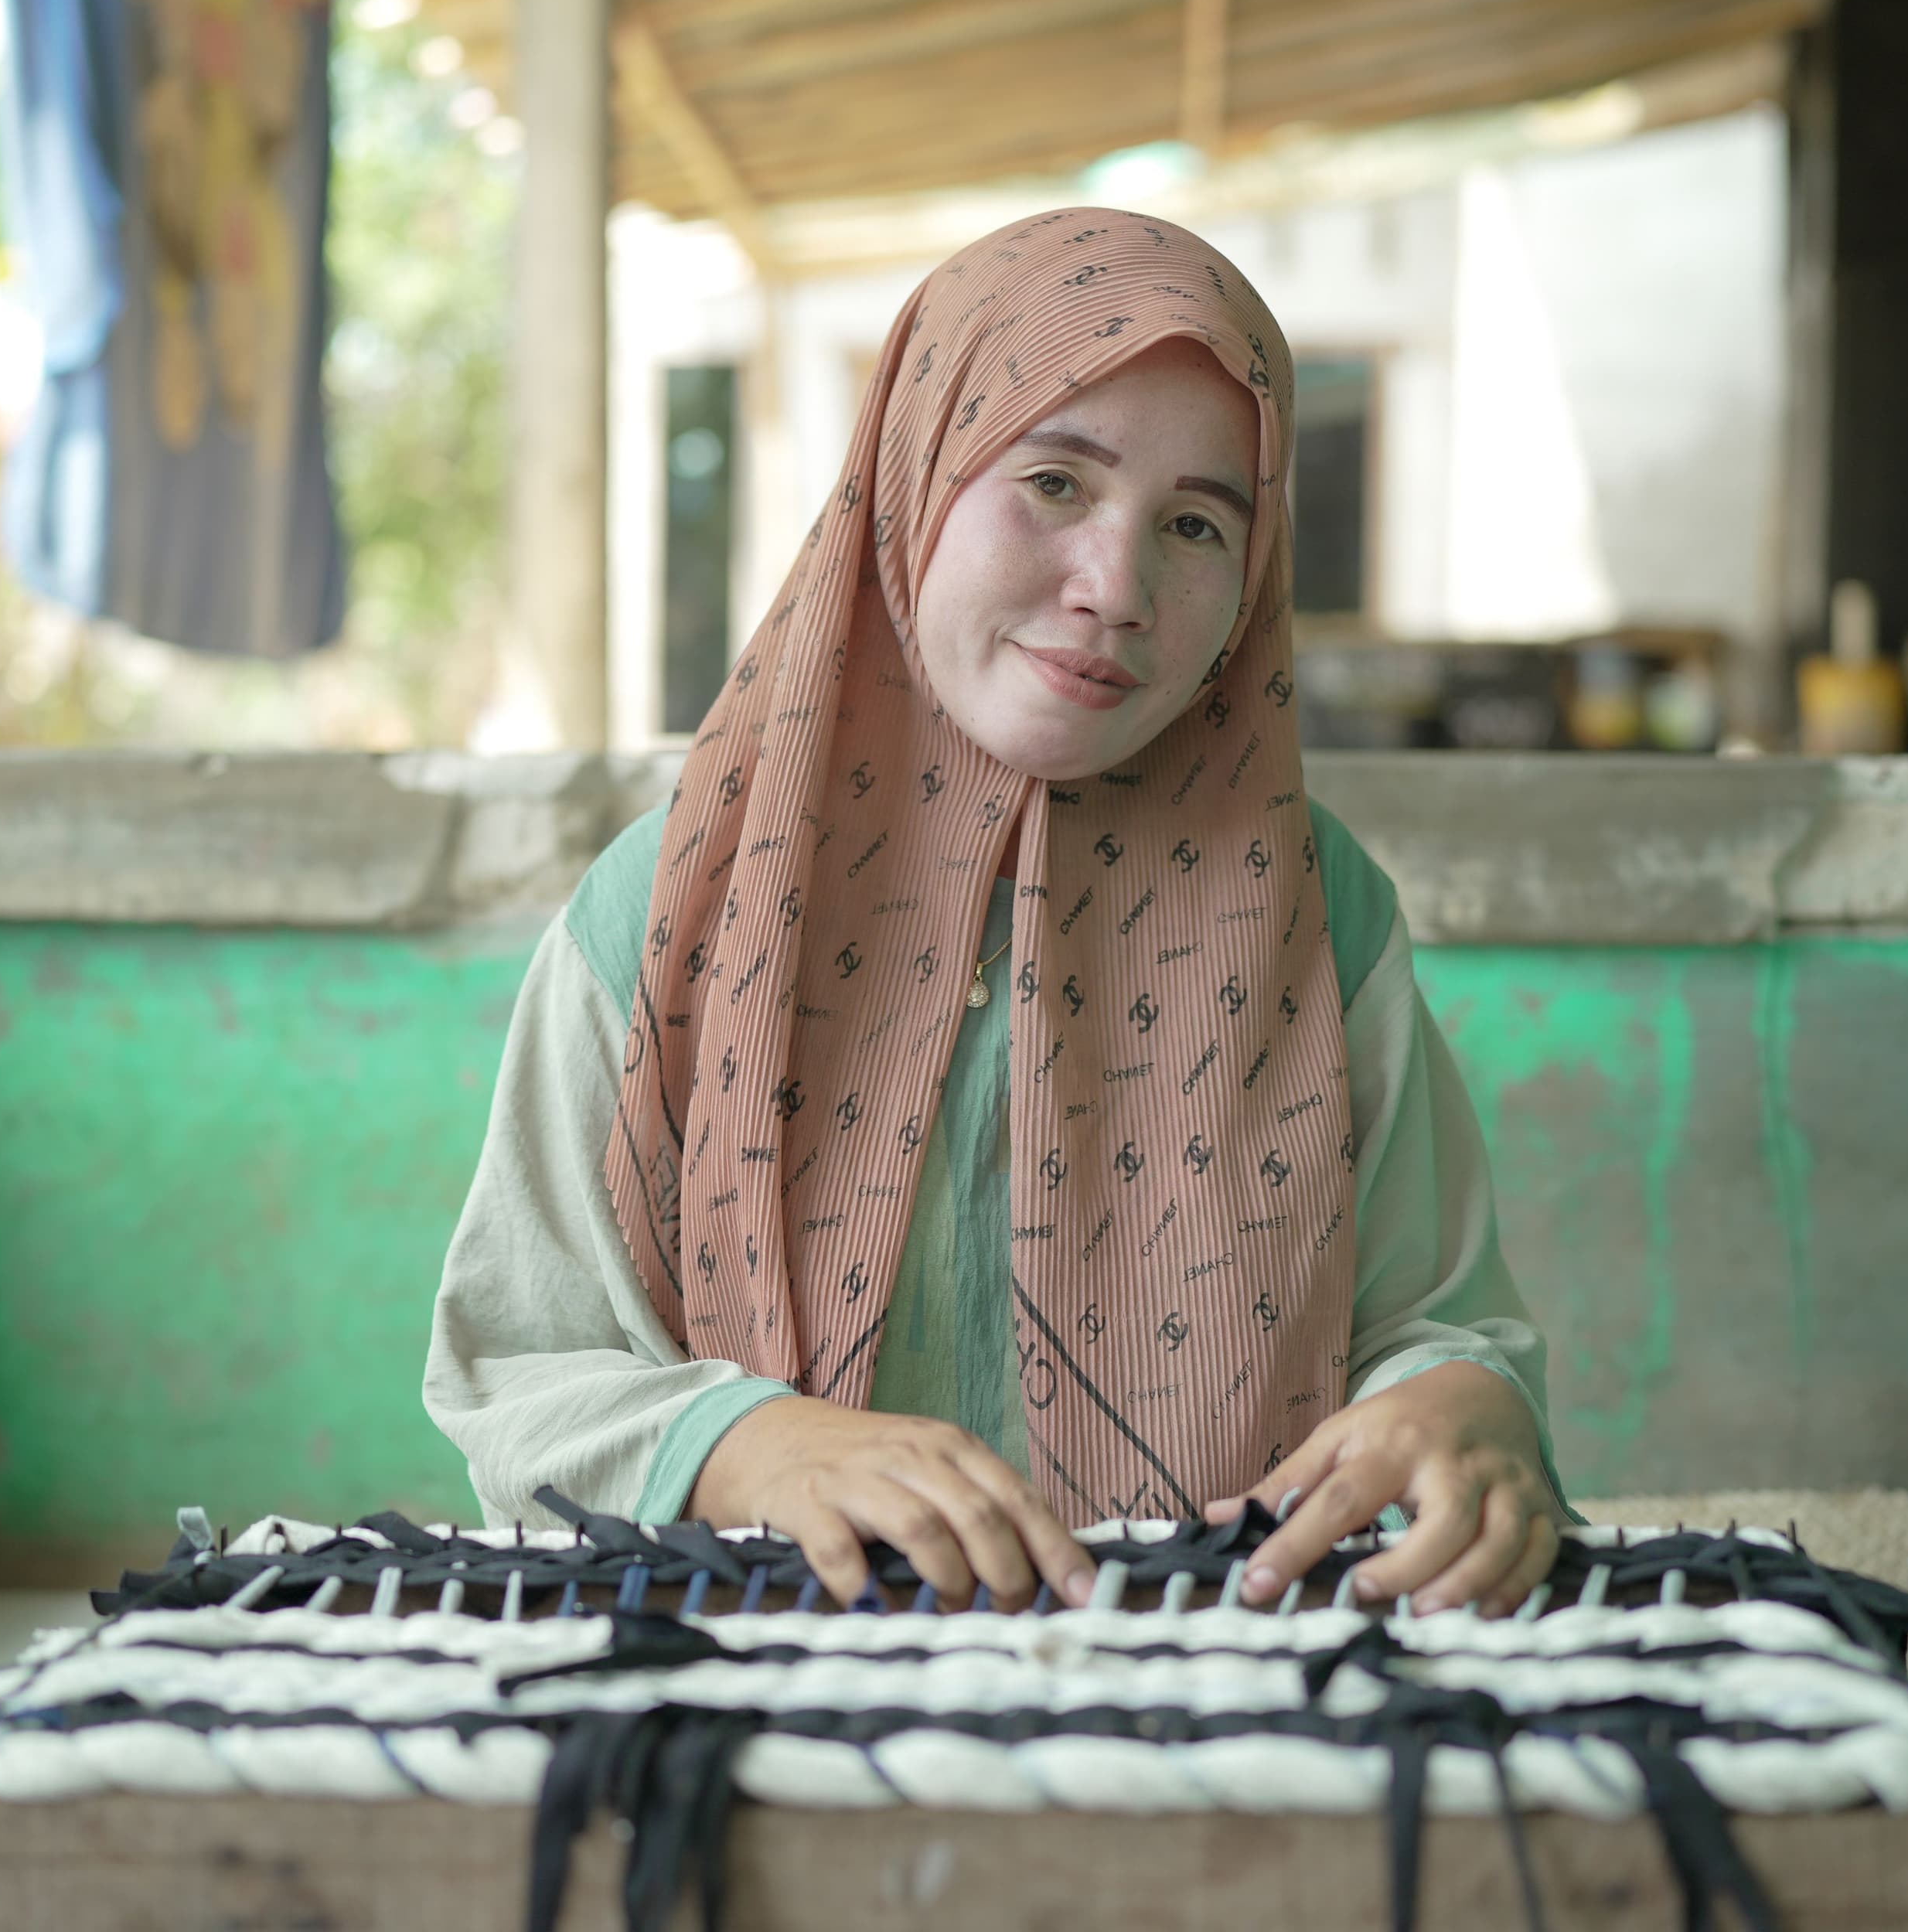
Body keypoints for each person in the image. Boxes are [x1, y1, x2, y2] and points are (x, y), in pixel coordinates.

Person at [426, 207, 1562, 1619]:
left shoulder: (1315, 915)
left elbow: (1431, 1323)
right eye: (1054, 482)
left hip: (1206, 1685)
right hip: (752, 1681)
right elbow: (518, 1371)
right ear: (915, 473)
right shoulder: (672, 908)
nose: (1116, 590)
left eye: (1197, 524)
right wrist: (747, 1444)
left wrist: (1463, 1403)